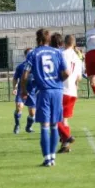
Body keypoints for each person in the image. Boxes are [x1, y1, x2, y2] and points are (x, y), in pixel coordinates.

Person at [21, 29, 69, 167]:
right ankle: (53, 158)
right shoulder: (58, 52)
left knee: (44, 126)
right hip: (58, 91)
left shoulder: (33, 53)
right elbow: (66, 72)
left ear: (37, 38)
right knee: (54, 125)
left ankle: (47, 159)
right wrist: (57, 80)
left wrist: (24, 90)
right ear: (48, 39)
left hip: (44, 91)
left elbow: (25, 75)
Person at [58, 35, 82, 153]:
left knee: (54, 117)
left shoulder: (62, 54)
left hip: (62, 90)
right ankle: (65, 146)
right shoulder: (77, 57)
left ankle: (67, 136)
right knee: (64, 119)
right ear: (74, 43)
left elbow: (62, 71)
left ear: (63, 42)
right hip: (73, 92)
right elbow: (79, 77)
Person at [12, 48, 35, 134]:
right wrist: (14, 88)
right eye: (29, 53)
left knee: (32, 113)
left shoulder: (37, 66)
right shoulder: (20, 67)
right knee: (19, 107)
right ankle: (17, 125)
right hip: (21, 90)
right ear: (26, 55)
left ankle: (28, 127)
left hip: (32, 91)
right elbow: (15, 78)